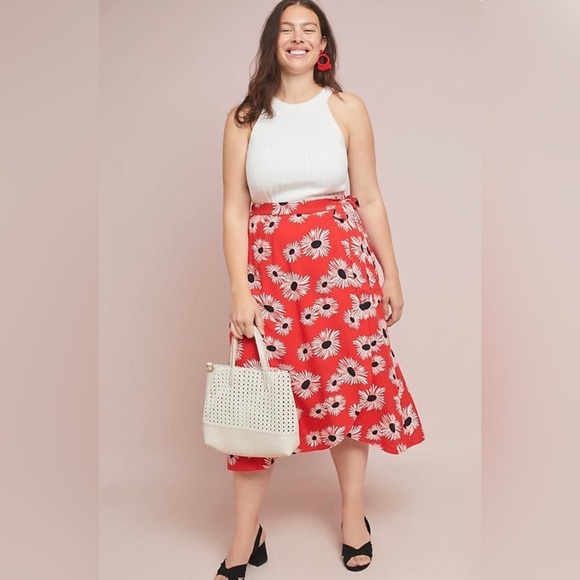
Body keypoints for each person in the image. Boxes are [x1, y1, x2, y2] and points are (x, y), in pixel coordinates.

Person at [217, 1, 425, 578]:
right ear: (272, 43)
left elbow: (370, 197)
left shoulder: (347, 108)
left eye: (309, 29)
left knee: (347, 390)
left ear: (323, 44)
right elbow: (234, 211)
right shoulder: (243, 118)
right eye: (287, 29)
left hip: (342, 273)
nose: (298, 37)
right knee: (255, 403)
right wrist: (239, 290)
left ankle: (353, 516)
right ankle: (244, 537)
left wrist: (391, 273)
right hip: (267, 277)